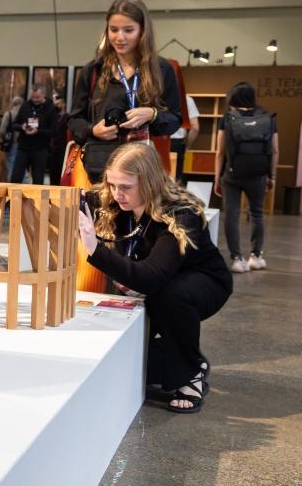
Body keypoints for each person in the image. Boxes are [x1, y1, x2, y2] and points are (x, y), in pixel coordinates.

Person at [77, 142, 232, 413]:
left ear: (149, 182)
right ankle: (189, 358)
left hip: (200, 282)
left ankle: (190, 376)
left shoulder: (181, 214)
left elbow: (151, 278)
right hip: (156, 285)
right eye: (112, 185)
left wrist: (94, 248)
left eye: (126, 187)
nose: (117, 194)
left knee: (171, 294)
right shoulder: (113, 199)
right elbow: (75, 199)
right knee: (132, 368)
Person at [68, 0, 182, 183]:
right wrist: (92, 130)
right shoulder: (93, 70)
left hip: (143, 170)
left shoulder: (162, 69)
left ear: (142, 31)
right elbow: (74, 120)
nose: (119, 37)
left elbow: (175, 119)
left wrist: (152, 114)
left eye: (128, 30)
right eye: (113, 30)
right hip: (100, 169)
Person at [214, 82, 279, 273]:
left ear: (232, 99)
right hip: (258, 175)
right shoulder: (267, 118)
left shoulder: (227, 118)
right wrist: (272, 175)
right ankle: (256, 257)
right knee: (257, 213)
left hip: (232, 174)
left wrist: (217, 177)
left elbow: (220, 152)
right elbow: (275, 150)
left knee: (232, 214)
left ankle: (237, 259)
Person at [9, 83, 56, 184]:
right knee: (15, 177)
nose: (35, 99)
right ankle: (13, 199)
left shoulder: (50, 108)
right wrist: (22, 127)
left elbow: (53, 131)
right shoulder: (25, 105)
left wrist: (38, 131)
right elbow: (14, 125)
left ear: (44, 95)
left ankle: (36, 200)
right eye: (33, 97)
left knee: (38, 179)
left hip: (40, 149)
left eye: (38, 97)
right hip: (23, 147)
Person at [170, 94, 200, 183]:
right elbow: (195, 128)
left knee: (155, 178)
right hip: (177, 143)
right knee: (175, 181)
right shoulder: (186, 99)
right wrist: (187, 146)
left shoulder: (156, 96)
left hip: (156, 142)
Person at [0, 96, 23, 182]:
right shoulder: (24, 114)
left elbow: (2, 130)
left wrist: (6, 138)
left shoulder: (9, 114)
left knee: (11, 166)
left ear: (13, 104)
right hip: (23, 145)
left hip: (11, 144)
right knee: (21, 168)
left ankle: (11, 187)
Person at [48, 92, 71, 185]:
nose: (57, 106)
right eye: (55, 104)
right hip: (53, 148)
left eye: (59, 104)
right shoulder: (53, 117)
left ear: (64, 103)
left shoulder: (68, 117)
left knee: (61, 171)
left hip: (63, 148)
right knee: (52, 173)